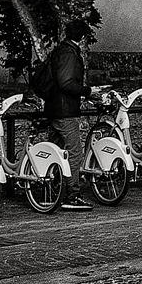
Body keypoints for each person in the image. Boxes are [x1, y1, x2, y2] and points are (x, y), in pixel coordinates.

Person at [33, 19, 92, 211]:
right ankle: (72, 194)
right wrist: (87, 91)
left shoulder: (59, 50)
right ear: (82, 37)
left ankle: (50, 187)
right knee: (74, 152)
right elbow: (66, 82)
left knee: (54, 150)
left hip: (54, 108)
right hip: (64, 110)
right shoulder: (69, 54)